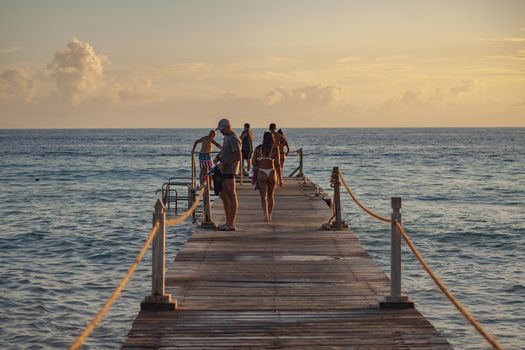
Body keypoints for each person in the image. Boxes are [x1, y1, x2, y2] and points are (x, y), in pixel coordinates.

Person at [213, 118, 241, 231]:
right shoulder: (226, 137)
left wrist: (224, 163)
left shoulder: (234, 138)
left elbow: (238, 156)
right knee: (223, 195)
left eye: (222, 129)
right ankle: (228, 222)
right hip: (224, 170)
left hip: (230, 170)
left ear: (228, 127)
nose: (221, 132)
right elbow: (225, 150)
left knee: (231, 194)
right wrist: (218, 157)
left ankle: (231, 224)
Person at [251, 132, 280, 222]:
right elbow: (278, 164)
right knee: (271, 196)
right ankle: (270, 215)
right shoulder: (275, 149)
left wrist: (260, 163)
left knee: (263, 197)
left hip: (262, 172)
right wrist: (280, 178)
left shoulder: (258, 148)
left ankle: (266, 216)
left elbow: (253, 162)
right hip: (272, 172)